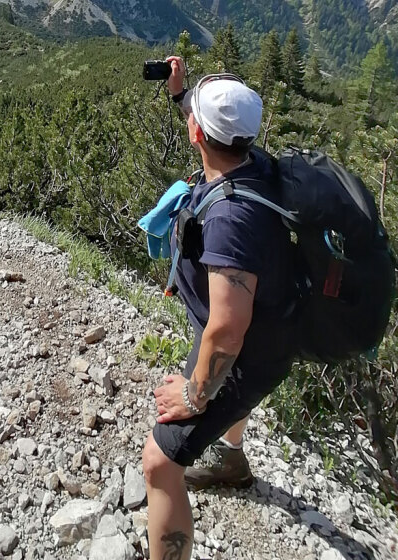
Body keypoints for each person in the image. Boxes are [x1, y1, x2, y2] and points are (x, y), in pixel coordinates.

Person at [141, 57, 298, 560]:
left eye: (192, 115)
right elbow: (211, 123)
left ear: (196, 135)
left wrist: (193, 394)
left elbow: (228, 331)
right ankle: (233, 461)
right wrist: (180, 91)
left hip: (246, 349)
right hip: (266, 332)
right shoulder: (254, 162)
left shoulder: (230, 218)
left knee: (159, 465)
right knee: (222, 366)